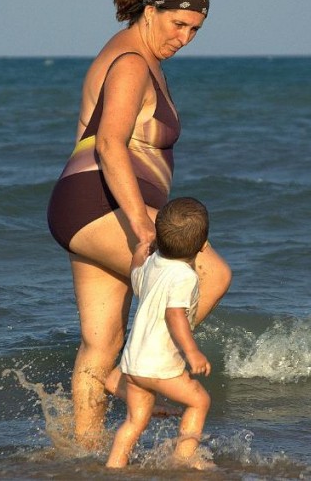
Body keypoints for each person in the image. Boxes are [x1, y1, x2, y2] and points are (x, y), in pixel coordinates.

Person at [46, 0, 231, 449]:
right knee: (211, 274)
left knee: (99, 342)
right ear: (150, 10)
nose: (185, 38)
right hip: (102, 202)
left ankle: (80, 451)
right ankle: (135, 375)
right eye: (179, 24)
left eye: (196, 29)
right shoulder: (131, 61)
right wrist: (142, 226)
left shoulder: (139, 55)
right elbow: (110, 144)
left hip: (82, 205)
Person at [106, 197, 213, 469]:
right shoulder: (184, 277)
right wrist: (193, 352)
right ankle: (183, 460)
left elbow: (137, 283)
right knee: (199, 401)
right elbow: (174, 314)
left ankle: (114, 468)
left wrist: (136, 257)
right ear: (203, 246)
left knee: (134, 423)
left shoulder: (152, 263)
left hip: (133, 364)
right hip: (158, 365)